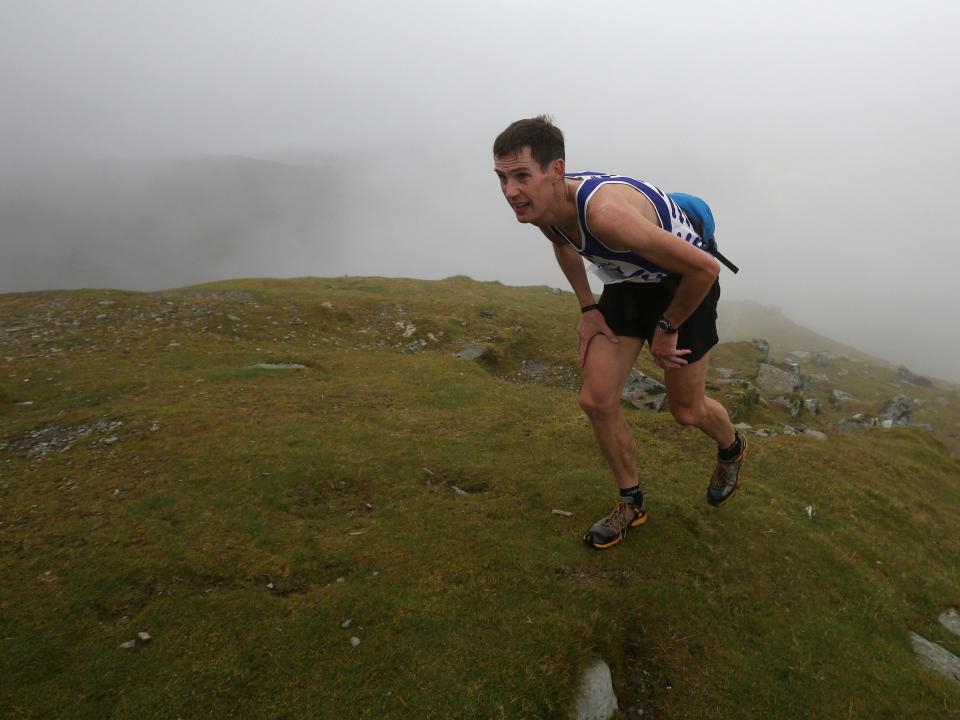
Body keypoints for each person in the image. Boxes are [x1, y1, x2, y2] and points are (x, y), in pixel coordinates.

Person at [492, 115, 747, 549]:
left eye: (521, 176)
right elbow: (562, 242)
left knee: (686, 413)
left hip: (683, 284)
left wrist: (668, 327)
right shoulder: (541, 208)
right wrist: (588, 307)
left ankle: (732, 447)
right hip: (627, 285)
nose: (511, 191)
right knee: (595, 399)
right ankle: (631, 502)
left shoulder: (606, 215)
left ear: (556, 171)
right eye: (502, 178)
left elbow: (704, 269)